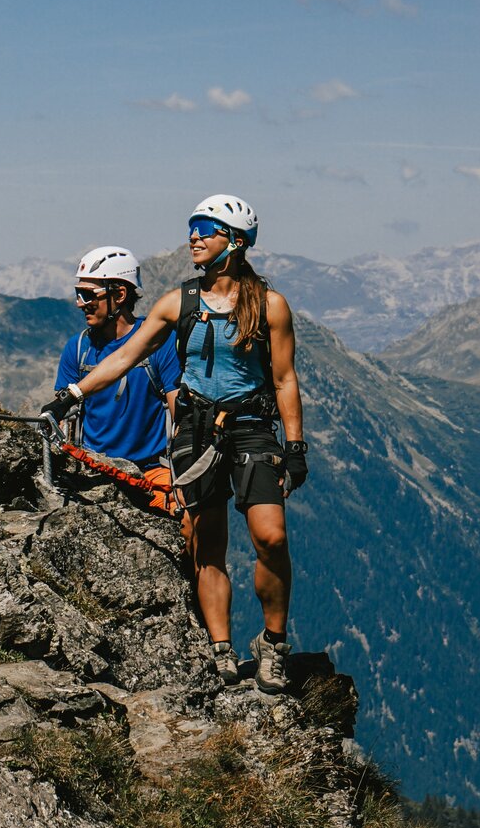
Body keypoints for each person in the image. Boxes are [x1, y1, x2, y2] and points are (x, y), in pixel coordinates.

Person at [42, 195, 308, 693]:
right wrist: (72, 395)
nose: (194, 238)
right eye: (192, 228)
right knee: (207, 543)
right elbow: (124, 358)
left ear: (236, 241)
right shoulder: (177, 302)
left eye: (206, 229)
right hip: (197, 430)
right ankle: (221, 649)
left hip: (251, 426)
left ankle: (272, 644)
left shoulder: (269, 306)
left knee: (270, 536)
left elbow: (285, 378)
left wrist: (295, 446)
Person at [52, 246, 179, 515]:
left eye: (88, 295)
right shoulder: (77, 348)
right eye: (78, 294)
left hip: (151, 472)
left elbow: (180, 412)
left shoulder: (161, 343)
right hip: (92, 469)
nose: (79, 303)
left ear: (120, 294)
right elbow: (62, 417)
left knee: (186, 528)